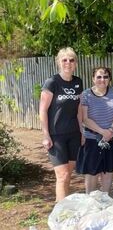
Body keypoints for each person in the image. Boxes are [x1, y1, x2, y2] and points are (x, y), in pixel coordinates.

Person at [39, 47, 83, 202]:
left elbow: (78, 109)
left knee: (68, 174)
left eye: (71, 60)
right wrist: (45, 135)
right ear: (59, 62)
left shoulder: (78, 82)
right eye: (64, 60)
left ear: (75, 63)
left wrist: (82, 131)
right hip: (56, 136)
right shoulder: (52, 82)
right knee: (62, 175)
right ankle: (60, 212)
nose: (68, 63)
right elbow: (43, 110)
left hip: (74, 134)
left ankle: (63, 207)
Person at [77, 67, 113, 194]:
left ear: (109, 79)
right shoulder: (85, 95)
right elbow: (85, 119)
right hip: (92, 138)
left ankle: (105, 198)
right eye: (99, 77)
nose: (102, 79)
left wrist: (110, 131)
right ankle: (91, 201)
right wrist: (102, 132)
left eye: (105, 77)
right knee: (92, 171)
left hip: (112, 137)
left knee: (108, 170)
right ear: (93, 79)